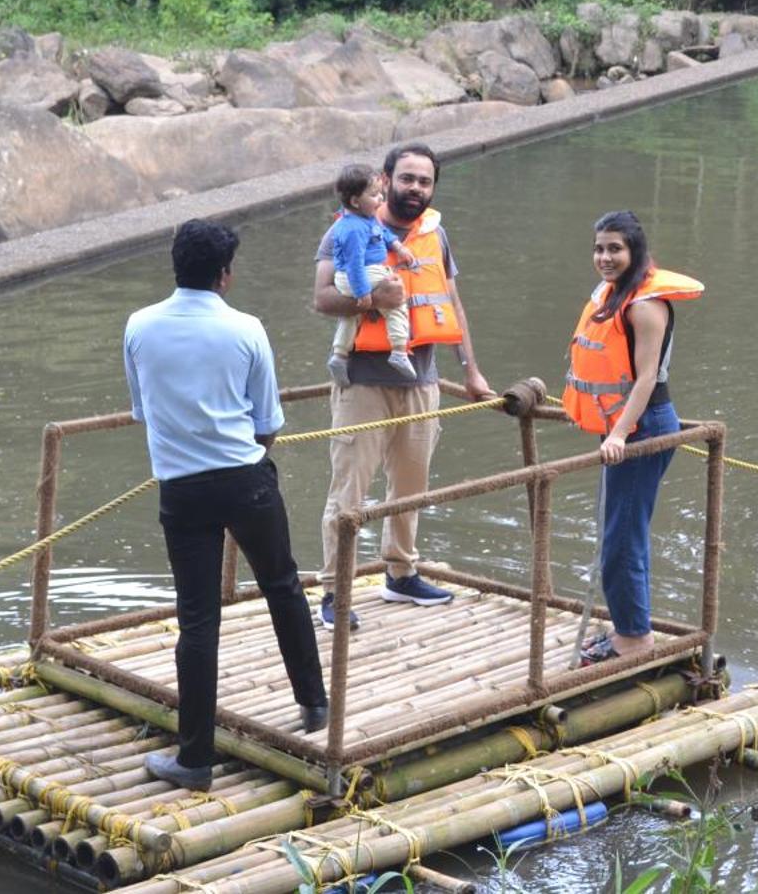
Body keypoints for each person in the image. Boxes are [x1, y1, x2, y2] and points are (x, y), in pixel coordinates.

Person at [126, 219, 328, 791]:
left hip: (182, 488)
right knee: (282, 585)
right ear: (225, 274)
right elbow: (268, 422)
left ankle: (195, 760)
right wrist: (243, 458)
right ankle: (314, 705)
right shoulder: (247, 329)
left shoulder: (139, 326)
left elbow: (143, 411)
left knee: (197, 617)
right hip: (246, 479)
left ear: (174, 264)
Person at [310, 142, 496, 630]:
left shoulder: (435, 234)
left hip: (422, 381)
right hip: (363, 383)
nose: (415, 188)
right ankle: (334, 590)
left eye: (425, 181)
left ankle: (401, 571)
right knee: (349, 491)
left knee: (412, 486)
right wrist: (372, 298)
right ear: (384, 180)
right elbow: (323, 298)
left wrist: (472, 371)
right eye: (406, 178)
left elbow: (452, 303)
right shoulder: (345, 229)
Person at [561, 210, 702, 664]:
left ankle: (635, 640)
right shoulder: (612, 294)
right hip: (622, 427)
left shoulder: (645, 305)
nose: (605, 257)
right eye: (599, 248)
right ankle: (627, 630)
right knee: (617, 534)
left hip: (645, 427)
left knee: (624, 538)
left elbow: (644, 379)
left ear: (634, 251)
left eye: (615, 248)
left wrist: (619, 433)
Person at [324, 163, 419, 385]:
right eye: (375, 195)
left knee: (350, 316)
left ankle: (339, 355)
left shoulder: (367, 219)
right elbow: (354, 262)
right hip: (360, 274)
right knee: (396, 299)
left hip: (353, 276)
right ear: (356, 201)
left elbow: (383, 233)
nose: (381, 199)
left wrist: (397, 246)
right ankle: (398, 349)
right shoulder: (353, 229)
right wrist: (363, 292)